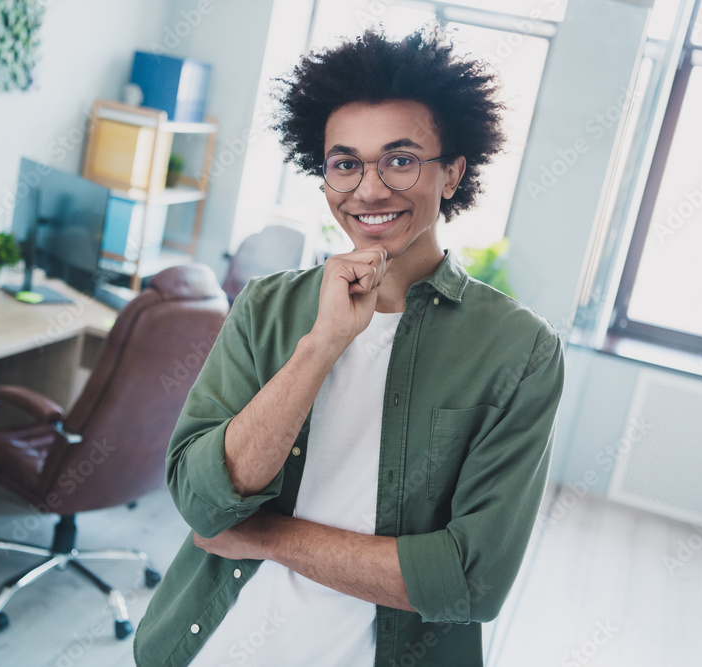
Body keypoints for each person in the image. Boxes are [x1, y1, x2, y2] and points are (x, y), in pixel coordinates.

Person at [133, 25, 565, 667]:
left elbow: (470, 580)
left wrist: (271, 536)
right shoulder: (267, 307)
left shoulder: (519, 351)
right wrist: (322, 344)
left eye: (400, 158)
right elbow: (202, 503)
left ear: (452, 173)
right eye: (345, 163)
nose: (368, 189)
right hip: (210, 645)